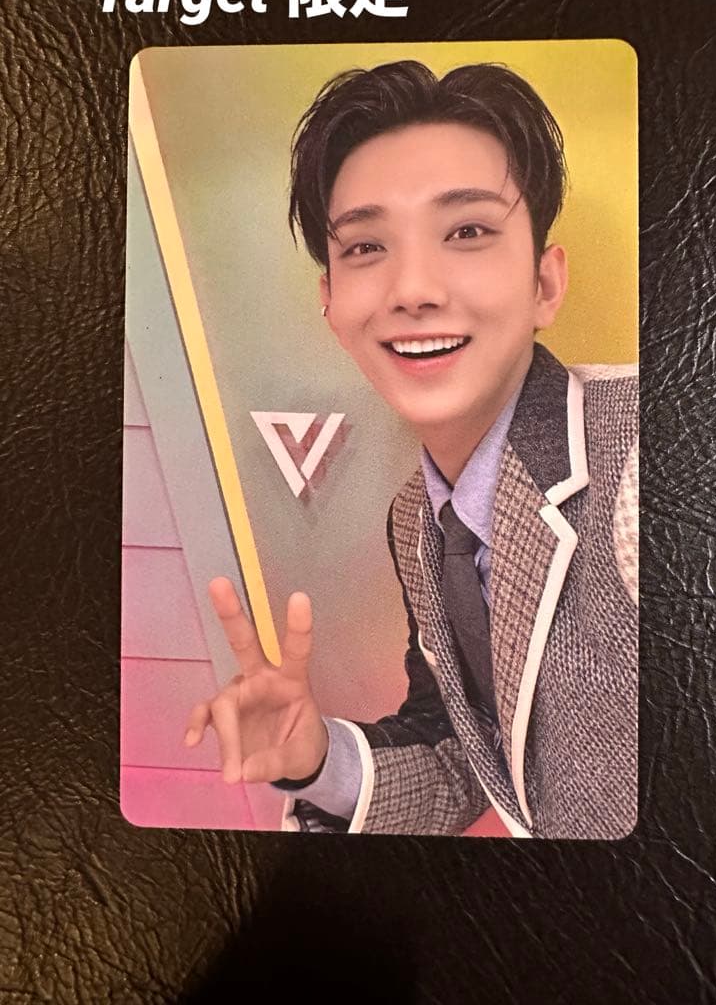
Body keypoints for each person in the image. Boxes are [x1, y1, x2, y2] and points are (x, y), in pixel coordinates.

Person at [184, 60, 638, 838]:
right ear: (330, 302)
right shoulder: (417, 521)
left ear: (544, 283)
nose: (413, 289)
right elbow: (472, 753)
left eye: (467, 232)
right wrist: (316, 760)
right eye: (366, 246)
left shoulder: (637, 461)